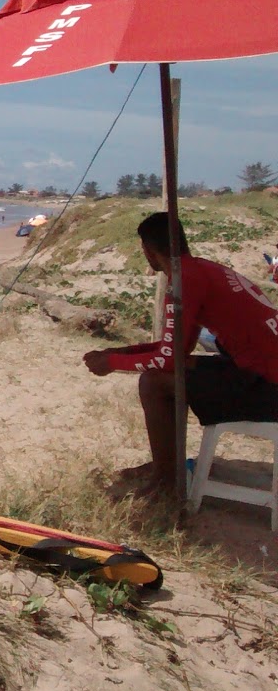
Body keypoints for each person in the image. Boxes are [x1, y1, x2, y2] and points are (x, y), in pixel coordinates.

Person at [81, 212, 278, 498]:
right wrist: (120, 351)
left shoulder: (183, 280)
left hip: (268, 389)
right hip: (260, 372)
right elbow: (178, 350)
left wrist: (112, 362)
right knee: (180, 369)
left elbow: (167, 360)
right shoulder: (202, 269)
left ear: (148, 250)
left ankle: (167, 479)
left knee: (153, 382)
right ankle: (167, 465)